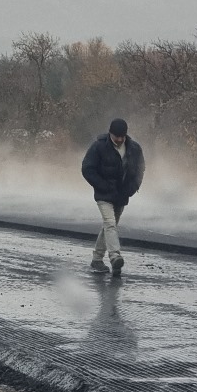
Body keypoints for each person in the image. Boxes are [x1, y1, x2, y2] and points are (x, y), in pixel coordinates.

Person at [80, 118, 145, 276]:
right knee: (110, 224)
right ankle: (115, 256)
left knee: (110, 226)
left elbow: (140, 169)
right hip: (104, 194)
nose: (120, 139)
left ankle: (97, 259)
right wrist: (102, 185)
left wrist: (131, 189)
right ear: (110, 133)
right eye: (117, 136)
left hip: (121, 195)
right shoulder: (99, 146)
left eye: (122, 136)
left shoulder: (134, 148)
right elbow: (87, 169)